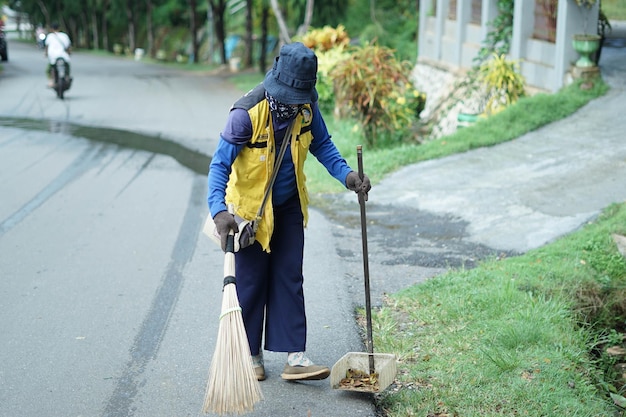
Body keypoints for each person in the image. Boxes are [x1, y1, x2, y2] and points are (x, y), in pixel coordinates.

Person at [207, 42, 371, 382]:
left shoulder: (306, 107)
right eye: (289, 99)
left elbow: (322, 143)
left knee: (289, 277)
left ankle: (295, 357)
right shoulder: (245, 114)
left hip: (289, 204)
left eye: (300, 99)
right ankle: (250, 354)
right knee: (251, 283)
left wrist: (347, 176)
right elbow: (219, 165)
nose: (294, 106)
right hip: (249, 214)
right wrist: (220, 212)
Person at [44, 22, 71, 87]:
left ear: (51, 29)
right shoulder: (64, 36)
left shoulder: (50, 36)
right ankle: (67, 77)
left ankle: (51, 81)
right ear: (59, 28)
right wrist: (69, 53)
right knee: (67, 67)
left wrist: (46, 54)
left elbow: (47, 47)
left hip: (53, 57)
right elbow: (68, 47)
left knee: (48, 70)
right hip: (63, 56)